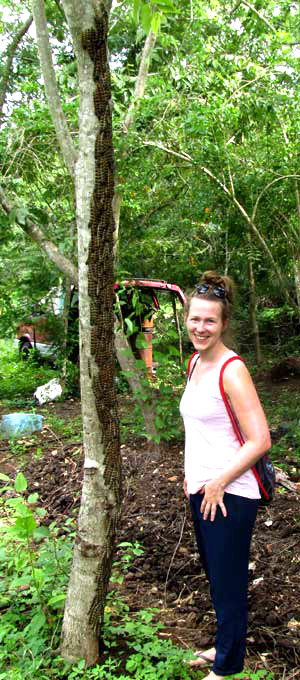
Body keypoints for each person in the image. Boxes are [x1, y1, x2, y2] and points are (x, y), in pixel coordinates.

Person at [180, 271, 271, 679]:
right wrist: (192, 475)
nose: (201, 327)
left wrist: (217, 480)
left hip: (230, 492)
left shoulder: (231, 370)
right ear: (186, 318)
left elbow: (260, 439)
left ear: (223, 323)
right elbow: (199, 429)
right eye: (195, 319)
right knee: (216, 576)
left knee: (229, 580)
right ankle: (224, 644)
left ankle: (228, 668)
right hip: (202, 488)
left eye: (210, 321)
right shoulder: (195, 362)